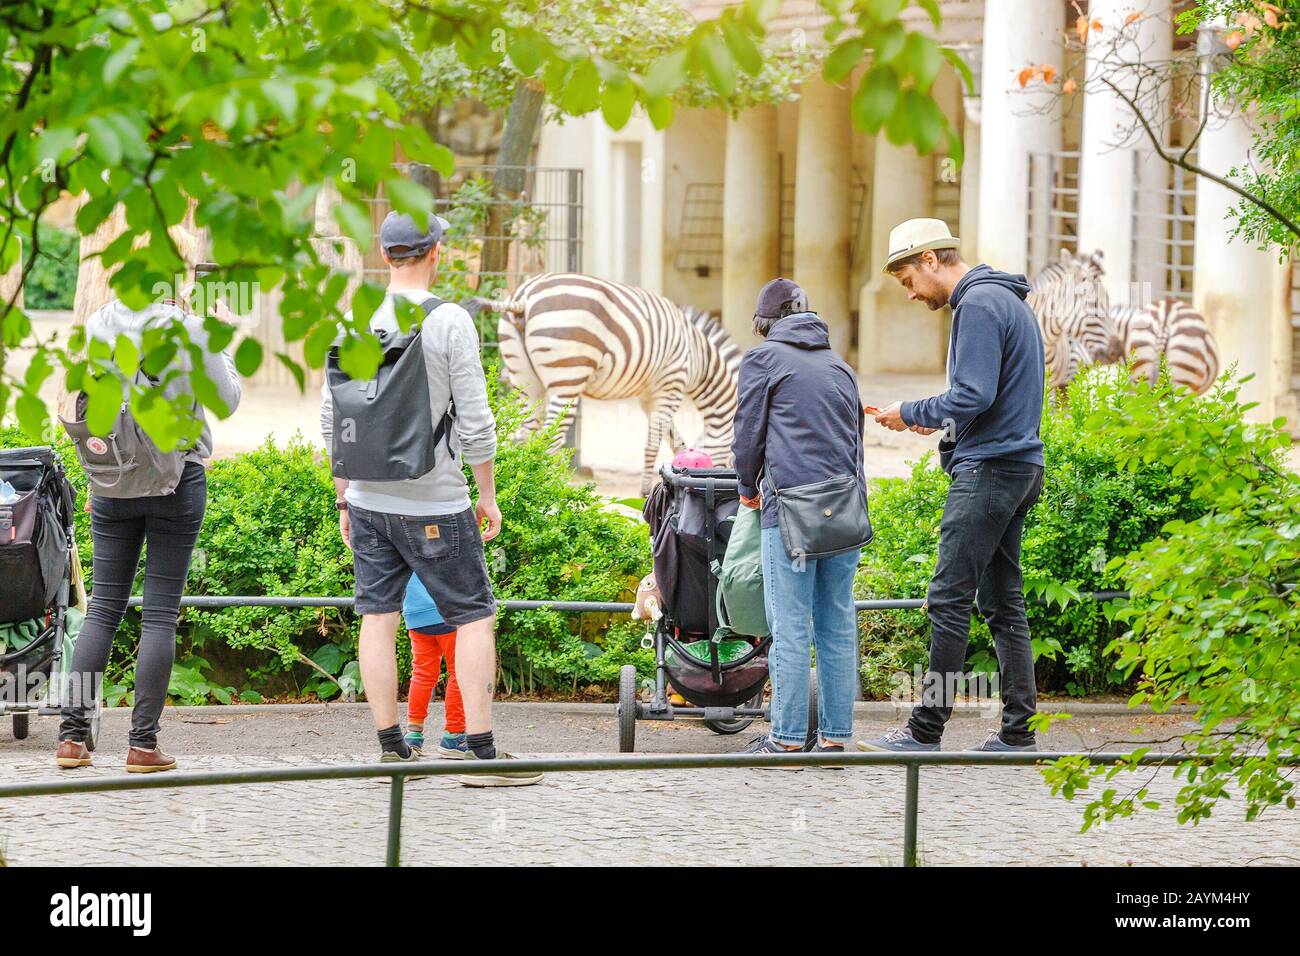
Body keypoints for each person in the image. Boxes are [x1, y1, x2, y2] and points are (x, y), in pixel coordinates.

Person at [320, 210, 540, 786]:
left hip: (367, 499)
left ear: (386, 253)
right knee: (473, 615)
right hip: (437, 502)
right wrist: (485, 495)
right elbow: (476, 422)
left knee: (377, 615)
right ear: (436, 251)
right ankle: (483, 752)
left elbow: (332, 417)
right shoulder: (449, 322)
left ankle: (393, 748)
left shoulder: (350, 316)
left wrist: (344, 499)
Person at [57, 230, 242, 773]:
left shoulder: (99, 323)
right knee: (159, 614)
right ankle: (141, 745)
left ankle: (72, 739)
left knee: (103, 612)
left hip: (112, 480)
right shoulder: (187, 328)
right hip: (175, 479)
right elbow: (226, 402)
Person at [860, 218, 1046, 753]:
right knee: (1003, 604)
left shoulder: (979, 305)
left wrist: (910, 410)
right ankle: (1018, 733)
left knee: (946, 599)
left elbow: (973, 393)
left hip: (989, 472)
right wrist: (939, 419)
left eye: (907, 281)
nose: (911, 294)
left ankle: (924, 731)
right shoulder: (1006, 300)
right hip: (1018, 466)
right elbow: (983, 398)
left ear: (930, 261)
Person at [731, 278, 865, 765]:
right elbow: (857, 446)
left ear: (765, 325)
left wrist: (747, 488)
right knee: (836, 624)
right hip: (844, 512)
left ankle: (786, 738)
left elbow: (747, 435)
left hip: (789, 511)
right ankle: (833, 740)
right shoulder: (841, 367)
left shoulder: (763, 360)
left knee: (790, 627)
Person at [402, 573, 466, 758]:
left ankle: (413, 734)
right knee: (458, 671)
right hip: (448, 609)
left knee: (422, 673)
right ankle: (454, 736)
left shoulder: (406, 540)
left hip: (415, 612)